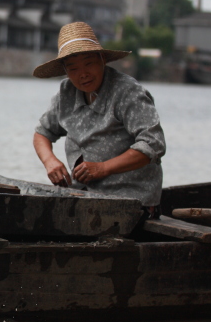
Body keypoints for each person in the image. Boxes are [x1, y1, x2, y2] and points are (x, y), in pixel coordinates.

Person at [31, 21, 166, 215]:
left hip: (132, 203)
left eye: (88, 63)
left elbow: (153, 144)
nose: (83, 74)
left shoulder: (127, 92)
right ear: (65, 71)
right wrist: (50, 161)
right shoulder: (66, 92)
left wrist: (103, 168)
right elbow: (41, 134)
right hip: (81, 197)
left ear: (102, 59)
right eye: (73, 68)